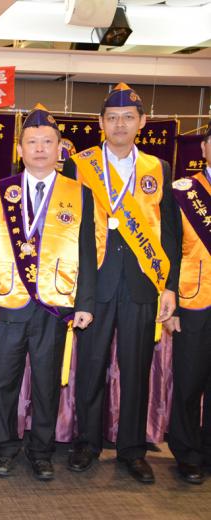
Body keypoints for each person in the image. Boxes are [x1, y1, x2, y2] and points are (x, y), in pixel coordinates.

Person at [64, 83, 179, 484]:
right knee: (91, 367)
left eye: (128, 118)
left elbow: (170, 233)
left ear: (142, 122)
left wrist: (169, 286)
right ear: (100, 122)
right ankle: (87, 443)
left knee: (136, 369)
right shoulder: (79, 165)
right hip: (93, 284)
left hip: (141, 285)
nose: (119, 124)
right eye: (112, 118)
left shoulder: (157, 168)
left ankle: (131, 449)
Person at [0, 104, 95, 480]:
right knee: (4, 382)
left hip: (54, 303)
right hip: (7, 300)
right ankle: (3, 447)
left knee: (46, 383)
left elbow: (88, 251)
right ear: (20, 148)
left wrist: (85, 302)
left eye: (47, 142)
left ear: (61, 148)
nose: (40, 148)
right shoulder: (0, 191)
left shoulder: (79, 194)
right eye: (32, 142)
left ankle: (41, 450)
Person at [165, 122, 211, 484]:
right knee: (189, 379)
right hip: (194, 298)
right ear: (205, 148)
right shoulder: (183, 191)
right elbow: (169, 251)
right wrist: (172, 303)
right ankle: (187, 452)